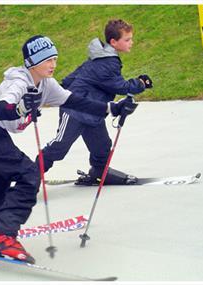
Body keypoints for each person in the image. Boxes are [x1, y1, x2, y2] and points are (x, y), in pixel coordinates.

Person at [0, 35, 137, 264]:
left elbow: (74, 101)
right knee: (29, 175)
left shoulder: (46, 84)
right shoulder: (19, 82)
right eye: (47, 60)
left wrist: (113, 107)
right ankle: (3, 237)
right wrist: (20, 107)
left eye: (55, 59)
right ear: (32, 62)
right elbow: (3, 109)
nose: (53, 64)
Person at [40, 19, 153, 185]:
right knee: (59, 147)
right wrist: (141, 83)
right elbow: (120, 86)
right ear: (114, 42)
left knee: (102, 145)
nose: (131, 42)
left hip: (93, 110)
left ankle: (99, 171)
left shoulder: (100, 57)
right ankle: (30, 174)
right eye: (127, 40)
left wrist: (67, 87)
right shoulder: (107, 62)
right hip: (75, 111)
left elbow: (73, 77)